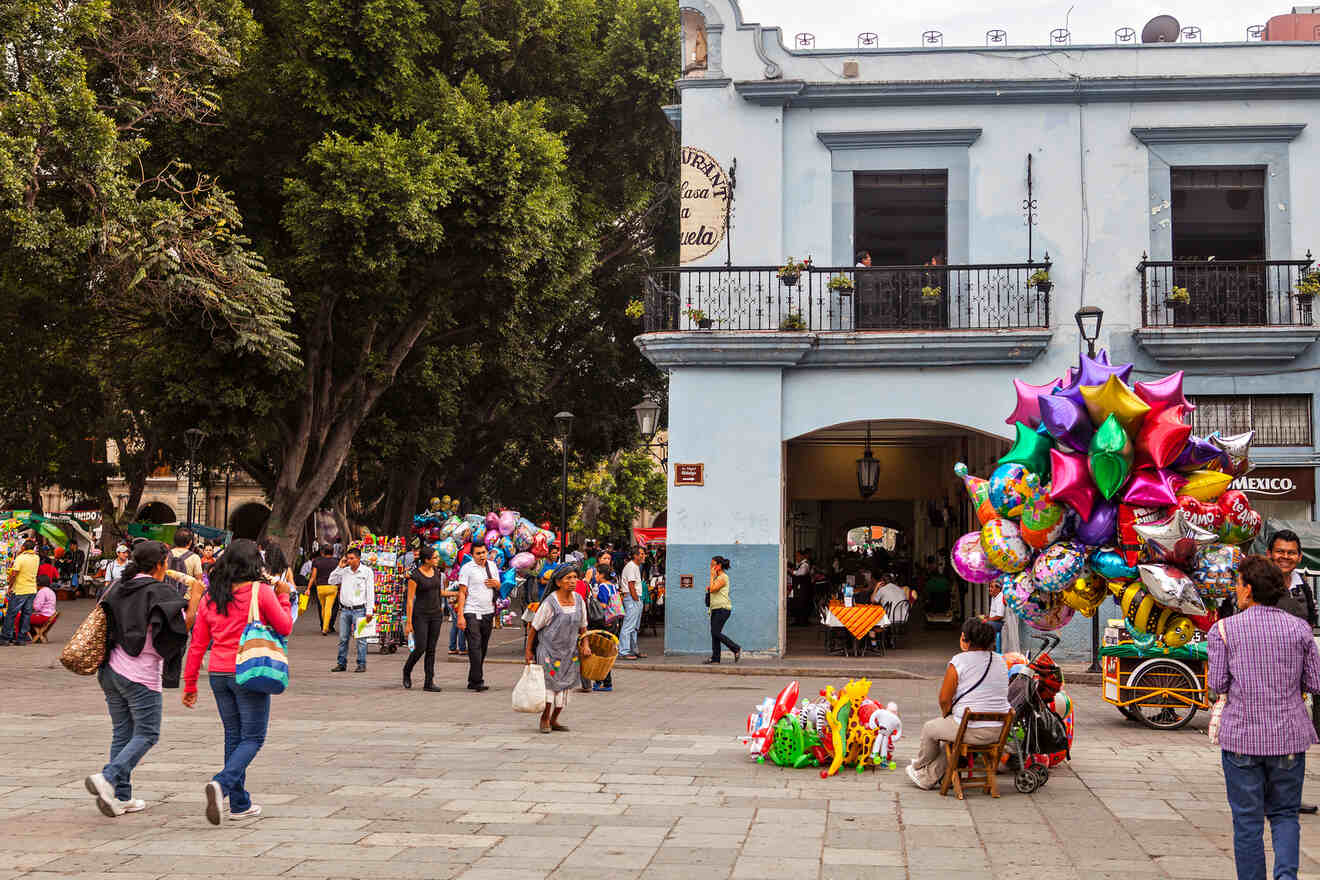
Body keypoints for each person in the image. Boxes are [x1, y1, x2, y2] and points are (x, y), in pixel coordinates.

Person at [1209, 555, 1320, 880]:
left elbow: (1218, 684)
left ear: (1248, 589)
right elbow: (1314, 683)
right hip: (1288, 738)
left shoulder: (1225, 630)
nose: (1236, 589)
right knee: (1285, 815)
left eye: (1239, 583)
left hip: (1242, 738)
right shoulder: (1299, 628)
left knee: (1247, 821)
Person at [183, 538, 292, 824]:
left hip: (218, 673)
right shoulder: (261, 591)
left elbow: (197, 643)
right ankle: (222, 784)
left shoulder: (211, 595)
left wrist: (190, 682)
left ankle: (240, 803)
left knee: (234, 735)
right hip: (249, 670)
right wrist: (284, 595)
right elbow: (285, 627)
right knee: (254, 737)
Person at [84, 541, 188, 817]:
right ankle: (108, 777)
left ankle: (119, 797)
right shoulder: (159, 590)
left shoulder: (116, 586)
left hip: (109, 670)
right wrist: (198, 595)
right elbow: (181, 626)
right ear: (159, 564)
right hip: (139, 673)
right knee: (147, 733)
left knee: (123, 733)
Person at [906, 617, 1012, 790]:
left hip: (969, 728)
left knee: (930, 728)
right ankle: (927, 776)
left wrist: (947, 714)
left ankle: (919, 765)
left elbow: (944, 699)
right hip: (998, 731)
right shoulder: (1001, 661)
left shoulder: (959, 661)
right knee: (952, 740)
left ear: (965, 638)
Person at [525, 563, 592, 734]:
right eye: (568, 578)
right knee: (550, 686)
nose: (573, 581)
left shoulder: (579, 600)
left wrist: (585, 644)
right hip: (548, 652)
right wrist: (528, 651)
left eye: (575, 577)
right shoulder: (550, 602)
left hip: (570, 652)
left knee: (566, 686)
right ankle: (545, 718)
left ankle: (555, 719)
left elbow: (583, 626)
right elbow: (534, 628)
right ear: (558, 582)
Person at [455, 544, 499, 691]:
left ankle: (473, 679)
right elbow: (462, 592)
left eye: (484, 552)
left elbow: (498, 586)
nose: (482, 556)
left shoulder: (492, 566)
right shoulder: (467, 568)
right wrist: (460, 616)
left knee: (483, 647)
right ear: (472, 555)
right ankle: (478, 680)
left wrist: (496, 584)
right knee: (474, 646)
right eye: (478, 553)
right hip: (471, 611)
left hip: (488, 611)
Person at [402, 546, 445, 692]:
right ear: (426, 560)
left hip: (436, 615)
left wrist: (457, 593)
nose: (438, 559)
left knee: (431, 649)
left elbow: (440, 592)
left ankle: (429, 681)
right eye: (435, 557)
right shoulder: (415, 576)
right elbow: (409, 600)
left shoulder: (437, 573)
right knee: (421, 647)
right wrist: (408, 623)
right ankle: (407, 670)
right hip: (420, 615)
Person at [329, 548, 374, 672]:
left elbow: (370, 592)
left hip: (360, 609)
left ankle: (361, 663)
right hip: (345, 610)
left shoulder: (367, 572)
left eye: (352, 558)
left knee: (361, 639)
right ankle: (341, 663)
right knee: (343, 638)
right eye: (348, 558)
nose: (349, 561)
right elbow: (331, 580)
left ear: (358, 558)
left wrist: (370, 610)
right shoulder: (344, 571)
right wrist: (339, 567)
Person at [1271, 529, 1316, 626]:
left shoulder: (1304, 588)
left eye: (1291, 553)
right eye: (1280, 551)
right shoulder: (1258, 584)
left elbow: (1310, 623)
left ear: (1300, 557)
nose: (1285, 557)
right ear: (1269, 554)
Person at [1, 539, 40, 645]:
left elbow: (14, 574)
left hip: (20, 590)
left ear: (23, 548)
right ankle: (21, 638)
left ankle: (5, 638)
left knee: (11, 614)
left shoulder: (21, 558)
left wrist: (9, 587)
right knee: (26, 614)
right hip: (31, 589)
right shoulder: (36, 558)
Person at [705, 555, 741, 664]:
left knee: (715, 632)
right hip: (715, 609)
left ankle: (735, 648)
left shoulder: (724, 577)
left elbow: (712, 589)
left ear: (719, 566)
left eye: (713, 565)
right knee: (714, 633)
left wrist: (711, 577)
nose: (711, 567)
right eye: (710, 565)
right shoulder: (717, 578)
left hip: (723, 609)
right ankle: (715, 658)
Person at [618, 546, 646, 660]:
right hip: (632, 598)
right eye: (641, 554)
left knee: (634, 626)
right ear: (635, 556)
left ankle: (633, 650)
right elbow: (631, 585)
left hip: (634, 598)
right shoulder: (631, 567)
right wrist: (635, 599)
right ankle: (624, 651)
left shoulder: (634, 567)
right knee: (629, 626)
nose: (644, 556)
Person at [308, 545, 339, 635]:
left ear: (322, 552)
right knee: (331, 607)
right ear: (333, 552)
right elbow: (339, 575)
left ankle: (323, 625)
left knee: (322, 607)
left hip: (320, 588)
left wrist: (308, 588)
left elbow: (313, 577)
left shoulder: (317, 561)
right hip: (332, 587)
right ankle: (328, 627)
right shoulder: (336, 561)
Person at [167, 528, 204, 594]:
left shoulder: (166, 555)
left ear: (174, 541)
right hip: (186, 598)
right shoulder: (195, 557)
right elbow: (199, 581)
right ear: (190, 542)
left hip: (167, 595)